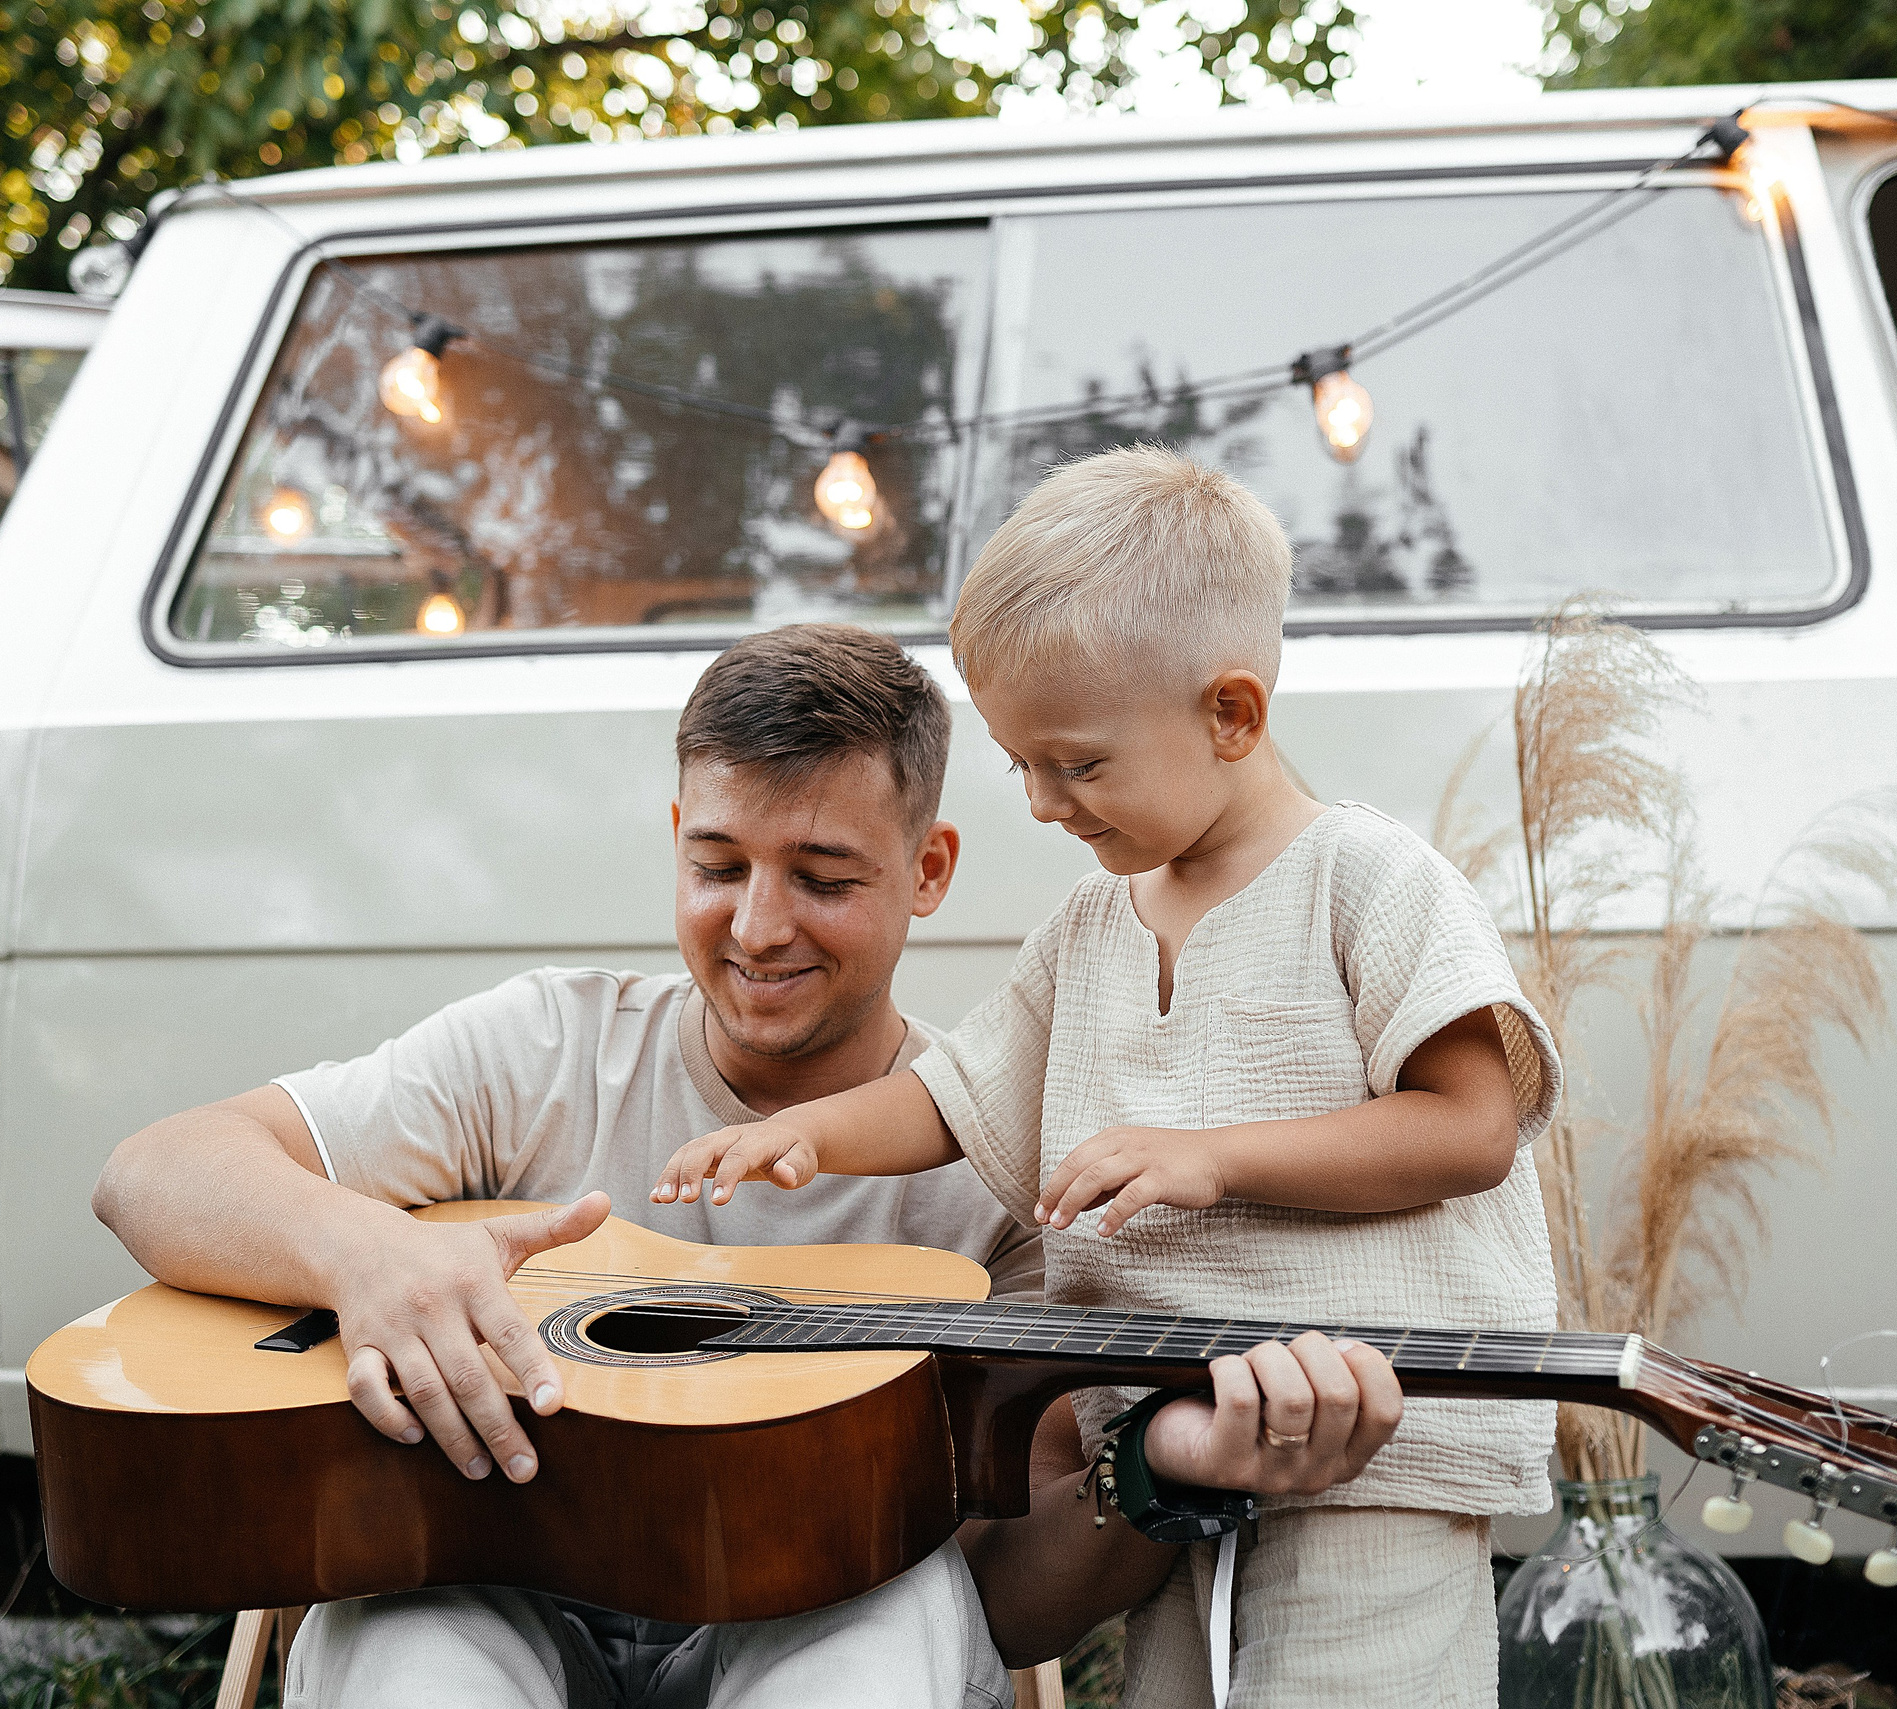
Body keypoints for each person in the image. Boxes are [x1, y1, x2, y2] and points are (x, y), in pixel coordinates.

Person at [93, 621, 1406, 1709]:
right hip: (489, 1587)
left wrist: (1170, 1480)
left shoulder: (1008, 1161)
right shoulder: (544, 1046)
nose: (757, 925)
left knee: (871, 1650)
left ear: (927, 869)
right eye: (716, 864)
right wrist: (369, 1256)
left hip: (825, 1622)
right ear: (676, 836)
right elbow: (154, 1170)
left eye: (824, 875)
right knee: (411, 1660)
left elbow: (1009, 1594)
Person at [656, 449, 1564, 1707]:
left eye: (1076, 763)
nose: (1039, 799)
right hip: (1177, 1455)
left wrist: (1213, 1153)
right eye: (1020, 760)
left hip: (1371, 1459)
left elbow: (1470, 1126)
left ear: (1231, 715)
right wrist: (804, 1132)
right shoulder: (1090, 927)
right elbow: (957, 1098)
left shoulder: (1367, 880)